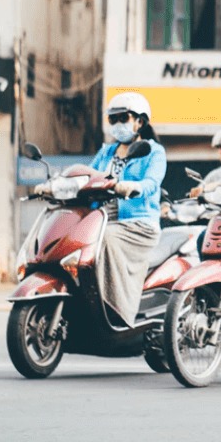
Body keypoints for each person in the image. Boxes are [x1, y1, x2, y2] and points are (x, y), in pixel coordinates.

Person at [82, 92, 167, 326]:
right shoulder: (107, 152)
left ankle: (118, 310)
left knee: (104, 237)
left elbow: (152, 183)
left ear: (140, 121)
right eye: (113, 119)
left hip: (138, 222)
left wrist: (133, 186)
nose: (118, 124)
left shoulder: (153, 151)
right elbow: (88, 175)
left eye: (124, 118)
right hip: (102, 215)